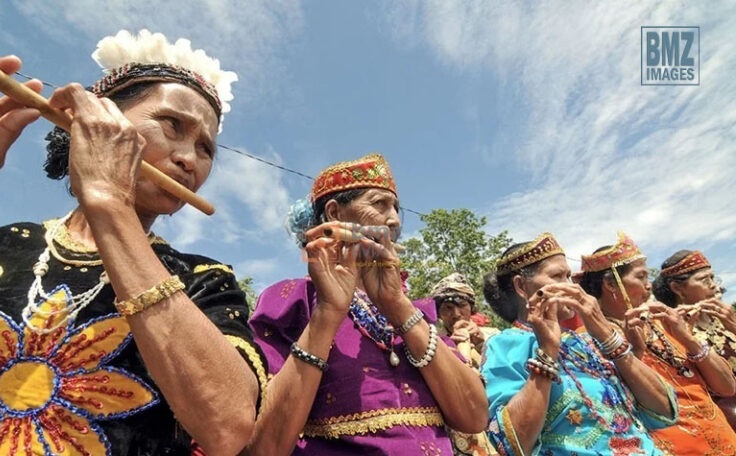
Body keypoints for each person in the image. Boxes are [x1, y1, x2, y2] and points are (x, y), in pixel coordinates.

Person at [0, 30, 265, 455]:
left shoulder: (204, 280)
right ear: (99, 120)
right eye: (172, 125)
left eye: (205, 148)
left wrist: (110, 204)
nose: (188, 159)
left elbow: (228, 424)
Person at [246, 154, 489, 455]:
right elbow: (263, 447)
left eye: (397, 208)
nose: (395, 220)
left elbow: (474, 416)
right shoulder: (291, 301)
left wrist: (397, 305)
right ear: (335, 214)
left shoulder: (415, 312)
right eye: (379, 204)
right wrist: (327, 314)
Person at [481, 232, 677, 455]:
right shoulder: (504, 345)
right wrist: (547, 351)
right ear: (521, 286)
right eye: (557, 276)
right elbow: (510, 444)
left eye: (569, 277)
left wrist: (605, 333)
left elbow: (664, 409)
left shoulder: (587, 341)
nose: (572, 287)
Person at [577, 233, 736, 454]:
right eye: (641, 277)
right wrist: (635, 354)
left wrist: (688, 339)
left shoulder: (665, 324)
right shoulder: (587, 340)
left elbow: (727, 387)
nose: (649, 285)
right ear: (611, 284)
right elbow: (614, 408)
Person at [653, 249, 736, 429]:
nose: (713, 285)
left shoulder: (726, 318)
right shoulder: (669, 331)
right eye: (704, 280)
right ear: (677, 288)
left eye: (713, 278)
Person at [431, 272, 499, 456]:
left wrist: (481, 343)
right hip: (461, 431)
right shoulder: (434, 344)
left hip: (499, 423)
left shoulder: (494, 336)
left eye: (462, 306)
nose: (456, 314)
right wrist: (450, 349)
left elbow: (508, 371)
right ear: (439, 313)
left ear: (471, 307)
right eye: (448, 308)